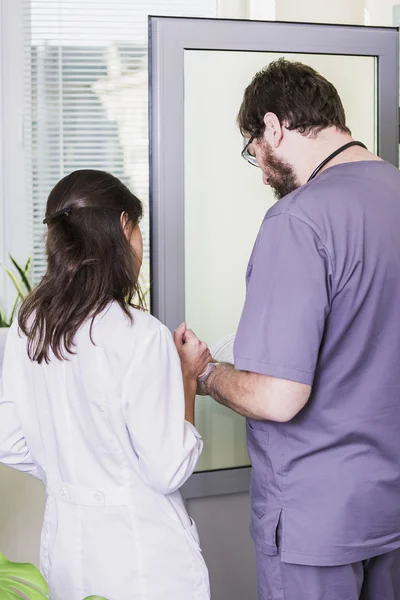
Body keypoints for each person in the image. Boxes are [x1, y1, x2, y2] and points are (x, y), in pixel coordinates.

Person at [181, 59, 400, 599]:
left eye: (253, 150)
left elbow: (280, 398)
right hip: (390, 509)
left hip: (315, 526)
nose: (259, 170)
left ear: (274, 127)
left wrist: (206, 372)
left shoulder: (298, 220)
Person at [0, 170, 211, 600]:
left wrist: (68, 470)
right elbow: (167, 468)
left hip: (65, 554)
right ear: (122, 226)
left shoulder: (28, 326)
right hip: (143, 562)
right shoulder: (140, 334)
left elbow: (7, 438)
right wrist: (187, 378)